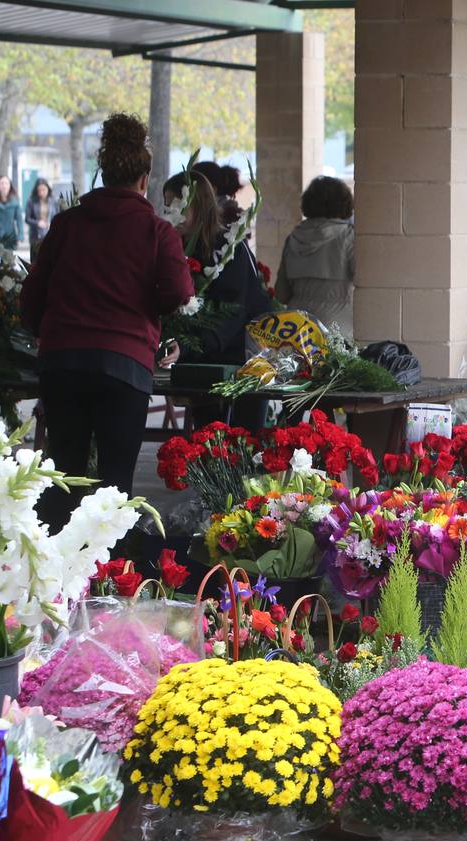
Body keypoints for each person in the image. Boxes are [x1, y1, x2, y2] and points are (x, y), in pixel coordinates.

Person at [20, 113, 193, 532]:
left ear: (103, 172)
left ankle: (54, 579)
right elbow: (178, 293)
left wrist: (47, 330)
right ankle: (109, 580)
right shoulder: (156, 231)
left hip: (62, 363)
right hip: (124, 365)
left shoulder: (66, 224)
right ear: (144, 177)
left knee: (65, 475)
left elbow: (31, 299)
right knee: (116, 483)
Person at [163, 171, 272, 430]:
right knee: (207, 434)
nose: (170, 214)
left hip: (242, 360)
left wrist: (188, 346)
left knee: (244, 437)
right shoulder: (175, 246)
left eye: (177, 206)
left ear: (197, 206)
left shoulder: (228, 246)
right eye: (166, 206)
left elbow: (232, 313)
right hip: (202, 360)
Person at [276, 175, 355, 337]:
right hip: (338, 328)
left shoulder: (293, 238)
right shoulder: (349, 237)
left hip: (296, 327)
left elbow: (281, 293)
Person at [25, 178, 58, 256]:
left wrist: (52, 223)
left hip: (50, 234)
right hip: (35, 236)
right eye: (39, 190)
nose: (42, 192)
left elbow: (57, 215)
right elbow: (27, 219)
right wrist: (37, 223)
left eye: (44, 190)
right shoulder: (31, 201)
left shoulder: (53, 201)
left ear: (48, 189)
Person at [0, 175, 24, 249]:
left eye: (6, 183)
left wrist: (20, 236)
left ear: (10, 186)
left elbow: (19, 220)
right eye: (2, 183)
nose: (4, 186)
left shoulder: (15, 201)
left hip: (10, 236)